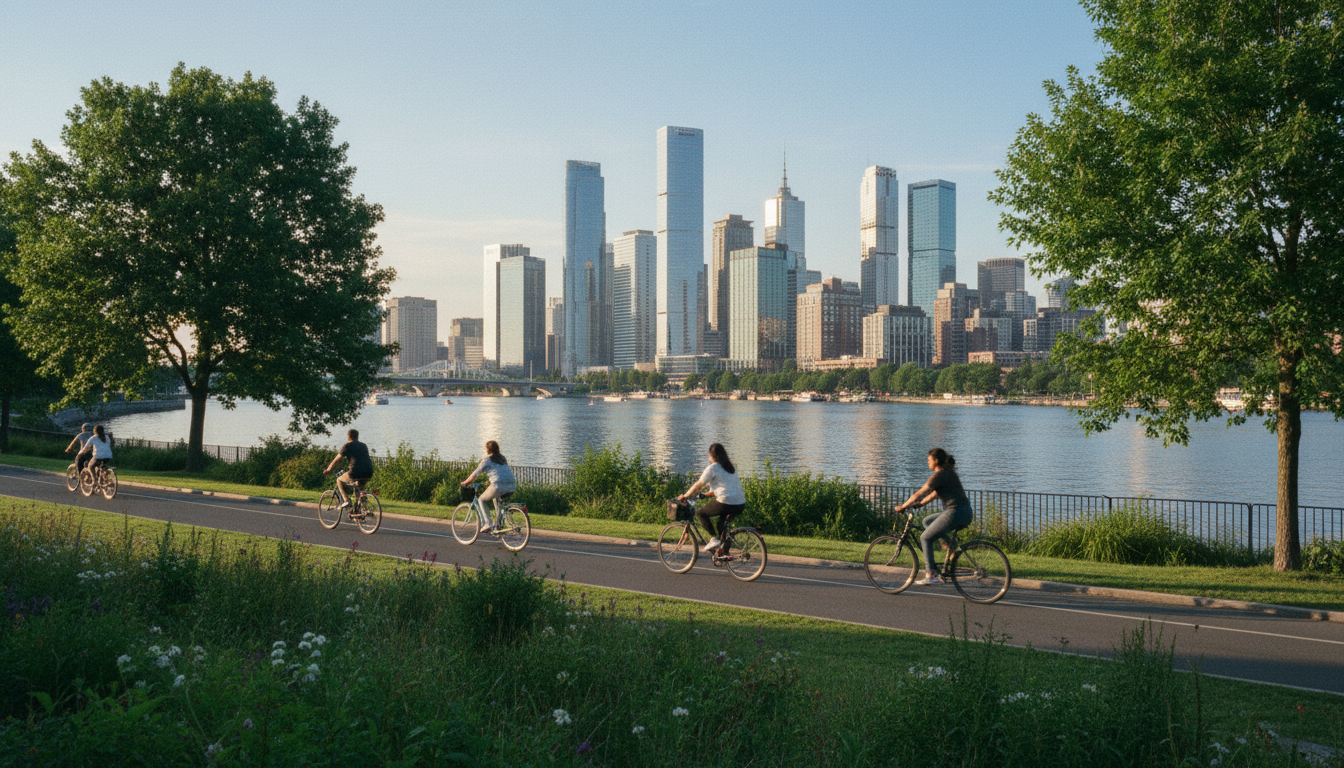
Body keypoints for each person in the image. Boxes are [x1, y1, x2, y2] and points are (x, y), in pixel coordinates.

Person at [894, 448, 974, 585]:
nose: (928, 463)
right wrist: (921, 504)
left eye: (929, 460)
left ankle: (931, 574)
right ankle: (951, 548)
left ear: (936, 461)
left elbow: (919, 493)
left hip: (955, 512)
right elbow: (935, 494)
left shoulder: (939, 475)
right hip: (965, 512)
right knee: (927, 521)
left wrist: (903, 506)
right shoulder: (949, 473)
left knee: (925, 537)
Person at [677, 443, 746, 553]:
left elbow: (699, 485)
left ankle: (713, 539)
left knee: (701, 513)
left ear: (711, 455)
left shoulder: (713, 468)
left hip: (726, 502)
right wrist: (704, 495)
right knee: (721, 526)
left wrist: (685, 496)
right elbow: (718, 491)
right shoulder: (730, 468)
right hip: (740, 504)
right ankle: (724, 553)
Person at [460, 440, 516, 532]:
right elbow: (499, 472)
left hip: (498, 485)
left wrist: (466, 483)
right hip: (512, 485)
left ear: (487, 449)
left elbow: (475, 474)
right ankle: (498, 525)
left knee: (481, 499)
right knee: (496, 499)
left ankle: (488, 524)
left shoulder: (487, 460)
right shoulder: (502, 458)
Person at [323, 429, 375, 510]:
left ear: (348, 436)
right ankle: (365, 510)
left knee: (339, 480)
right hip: (368, 472)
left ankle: (346, 501)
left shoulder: (348, 446)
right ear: (357, 437)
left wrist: (329, 469)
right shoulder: (364, 445)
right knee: (360, 490)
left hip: (355, 472)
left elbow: (337, 459)